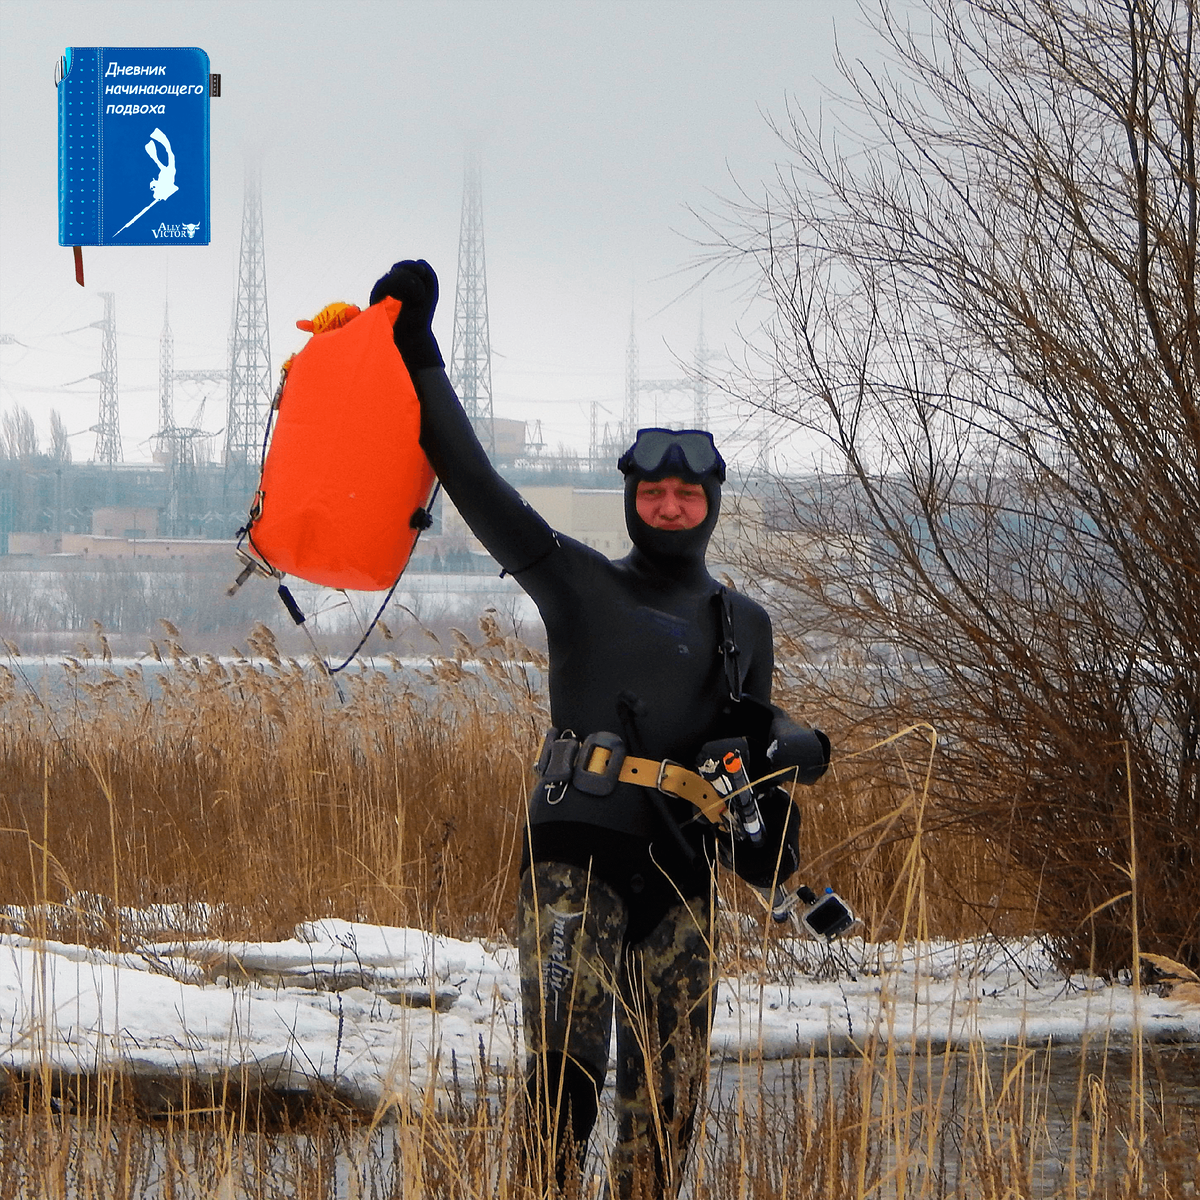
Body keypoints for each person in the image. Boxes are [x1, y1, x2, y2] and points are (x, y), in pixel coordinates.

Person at [370, 259, 830, 1198]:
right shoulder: (582, 584)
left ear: (709, 505)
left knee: (668, 1108)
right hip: (576, 856)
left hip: (683, 875)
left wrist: (797, 746)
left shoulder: (743, 622)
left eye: (687, 496)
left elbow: (755, 757)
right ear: (631, 499)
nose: (669, 507)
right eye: (653, 494)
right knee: (563, 1086)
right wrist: (418, 352)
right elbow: (474, 481)